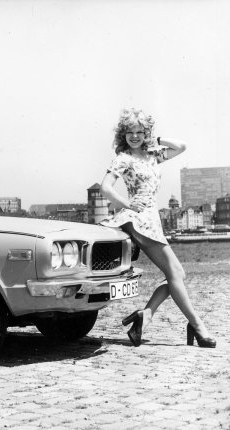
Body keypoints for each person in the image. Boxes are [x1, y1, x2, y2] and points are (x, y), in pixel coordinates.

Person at [99, 108, 216, 348]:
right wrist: (128, 203)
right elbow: (106, 188)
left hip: (153, 218)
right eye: (130, 132)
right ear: (123, 134)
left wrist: (157, 140)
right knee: (175, 274)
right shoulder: (124, 158)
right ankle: (197, 325)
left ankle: (146, 315)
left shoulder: (152, 155)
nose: (134, 136)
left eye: (140, 132)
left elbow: (182, 146)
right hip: (140, 219)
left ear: (146, 133)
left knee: (178, 275)